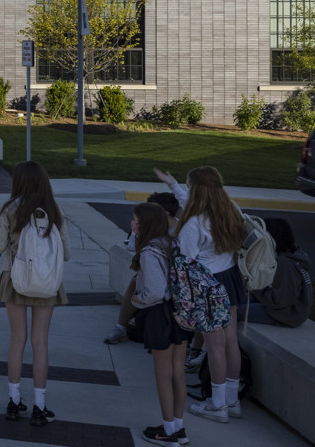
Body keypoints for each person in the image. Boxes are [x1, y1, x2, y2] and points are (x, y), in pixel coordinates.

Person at [0, 159, 70, 427]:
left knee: (17, 340)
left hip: (14, 279)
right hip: (47, 283)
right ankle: (40, 405)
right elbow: (66, 253)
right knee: (40, 342)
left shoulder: (9, 209)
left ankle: (14, 401)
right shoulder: (54, 210)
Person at [173, 166, 248, 424]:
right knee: (230, 343)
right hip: (230, 278)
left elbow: (186, 263)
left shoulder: (193, 224)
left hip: (207, 285)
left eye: (188, 187)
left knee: (214, 346)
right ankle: (232, 400)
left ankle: (217, 406)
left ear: (196, 191)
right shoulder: (232, 210)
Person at [124, 202, 192, 445]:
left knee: (162, 375)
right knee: (177, 374)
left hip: (159, 315)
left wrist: (135, 299)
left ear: (145, 224)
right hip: (179, 314)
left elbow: (154, 291)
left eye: (135, 220)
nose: (132, 224)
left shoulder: (148, 253)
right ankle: (178, 428)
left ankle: (167, 431)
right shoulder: (172, 244)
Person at [105, 190, 182, 344]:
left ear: (164, 214)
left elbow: (156, 291)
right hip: (160, 284)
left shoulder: (181, 231)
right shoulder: (148, 233)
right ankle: (121, 327)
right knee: (135, 281)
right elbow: (133, 247)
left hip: (171, 287)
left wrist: (139, 299)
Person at [248, 217, 311, 327]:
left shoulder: (285, 263)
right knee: (235, 301)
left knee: (231, 312)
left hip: (286, 315)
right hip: (284, 309)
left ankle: (230, 344)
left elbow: (282, 300)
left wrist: (256, 290)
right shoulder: (292, 253)